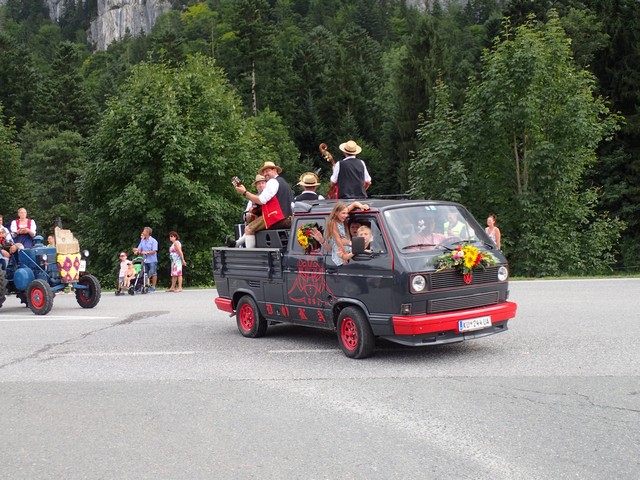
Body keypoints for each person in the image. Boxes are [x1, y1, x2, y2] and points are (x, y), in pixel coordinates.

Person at [233, 161, 294, 248]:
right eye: (264, 172)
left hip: (277, 218)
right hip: (289, 218)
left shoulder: (273, 182)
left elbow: (261, 200)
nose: (265, 174)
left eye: (267, 171)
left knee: (249, 229)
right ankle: (236, 243)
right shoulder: (284, 183)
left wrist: (245, 192)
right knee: (255, 226)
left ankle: (251, 253)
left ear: (275, 170)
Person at [312, 201, 369, 266]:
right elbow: (338, 239)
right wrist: (344, 255)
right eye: (343, 213)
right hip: (339, 248)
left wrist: (361, 206)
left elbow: (354, 204)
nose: (346, 215)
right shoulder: (333, 222)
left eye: (346, 213)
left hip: (345, 244)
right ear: (336, 213)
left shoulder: (343, 212)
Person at [133, 226, 158, 292]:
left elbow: (154, 251)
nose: (143, 232)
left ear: (148, 233)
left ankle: (153, 287)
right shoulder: (142, 240)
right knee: (143, 273)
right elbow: (139, 249)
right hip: (144, 260)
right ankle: (143, 286)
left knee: (153, 273)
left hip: (152, 260)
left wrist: (147, 252)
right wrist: (137, 251)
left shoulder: (153, 241)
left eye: (144, 231)